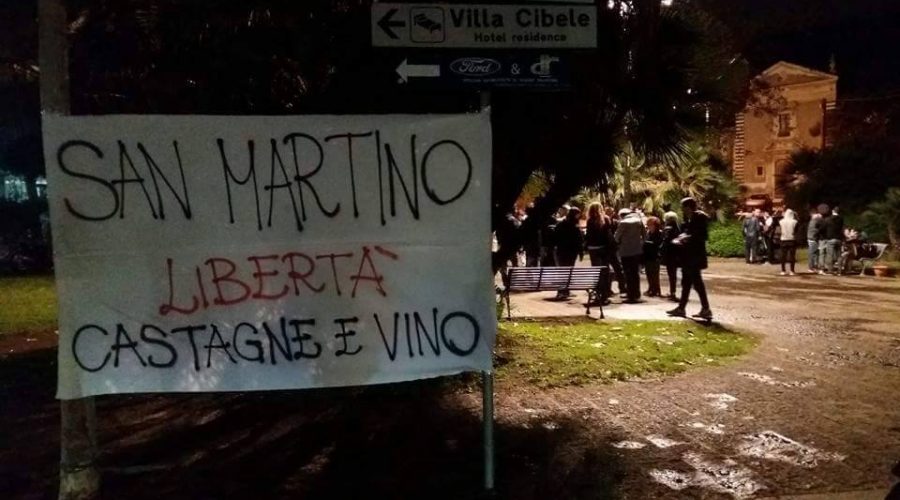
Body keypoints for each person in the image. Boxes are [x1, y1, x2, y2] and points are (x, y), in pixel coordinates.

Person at [667, 198, 712, 319]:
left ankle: (705, 308)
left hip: (694, 256)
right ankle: (682, 308)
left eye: (683, 207)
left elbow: (701, 235)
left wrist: (685, 238)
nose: (682, 210)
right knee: (686, 283)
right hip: (688, 256)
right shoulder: (690, 218)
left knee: (697, 283)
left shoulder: (699, 217)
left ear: (688, 207)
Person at [615, 208, 646, 303]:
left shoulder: (623, 223)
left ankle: (630, 294)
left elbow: (616, 237)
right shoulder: (639, 221)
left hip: (625, 251)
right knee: (635, 273)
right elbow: (645, 235)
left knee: (627, 273)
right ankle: (637, 293)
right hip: (637, 251)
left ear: (622, 215)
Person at [585, 203, 613, 305]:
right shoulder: (606, 219)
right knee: (604, 272)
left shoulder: (590, 220)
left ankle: (598, 294)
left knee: (597, 273)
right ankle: (604, 295)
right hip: (604, 249)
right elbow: (609, 235)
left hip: (593, 249)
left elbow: (588, 236)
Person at [553, 207, 583, 298]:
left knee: (562, 271)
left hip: (561, 250)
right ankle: (564, 290)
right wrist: (580, 251)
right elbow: (579, 240)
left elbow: (555, 236)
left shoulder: (561, 224)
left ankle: (563, 291)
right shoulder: (574, 225)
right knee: (568, 270)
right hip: (571, 251)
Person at [660, 211, 681, 300]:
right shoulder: (678, 228)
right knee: (673, 274)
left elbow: (665, 241)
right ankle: (673, 292)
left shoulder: (667, 228)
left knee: (671, 274)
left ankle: (672, 293)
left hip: (669, 254)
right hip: (676, 254)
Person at [820, 205, 844, 274]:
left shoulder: (828, 219)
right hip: (839, 239)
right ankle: (839, 271)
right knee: (839, 255)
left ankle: (830, 270)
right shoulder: (841, 219)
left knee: (829, 255)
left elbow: (822, 228)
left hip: (830, 239)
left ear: (833, 211)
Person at [643, 216, 663, 297]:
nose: (648, 226)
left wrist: (645, 242)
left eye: (650, 224)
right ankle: (651, 288)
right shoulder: (648, 232)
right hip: (648, 255)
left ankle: (656, 289)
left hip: (655, 255)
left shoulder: (659, 233)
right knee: (648, 273)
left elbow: (657, 244)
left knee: (654, 274)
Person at [778, 209, 799, 275]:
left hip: (783, 239)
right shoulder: (795, 221)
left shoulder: (781, 221)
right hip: (792, 239)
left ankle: (783, 270)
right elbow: (796, 231)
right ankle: (792, 270)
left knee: (783, 255)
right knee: (792, 256)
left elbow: (780, 230)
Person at [806, 209, 822, 273]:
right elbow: (816, 230)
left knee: (813, 254)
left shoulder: (812, 221)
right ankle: (813, 267)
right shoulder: (816, 222)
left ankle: (813, 267)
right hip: (813, 239)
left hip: (811, 238)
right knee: (814, 254)